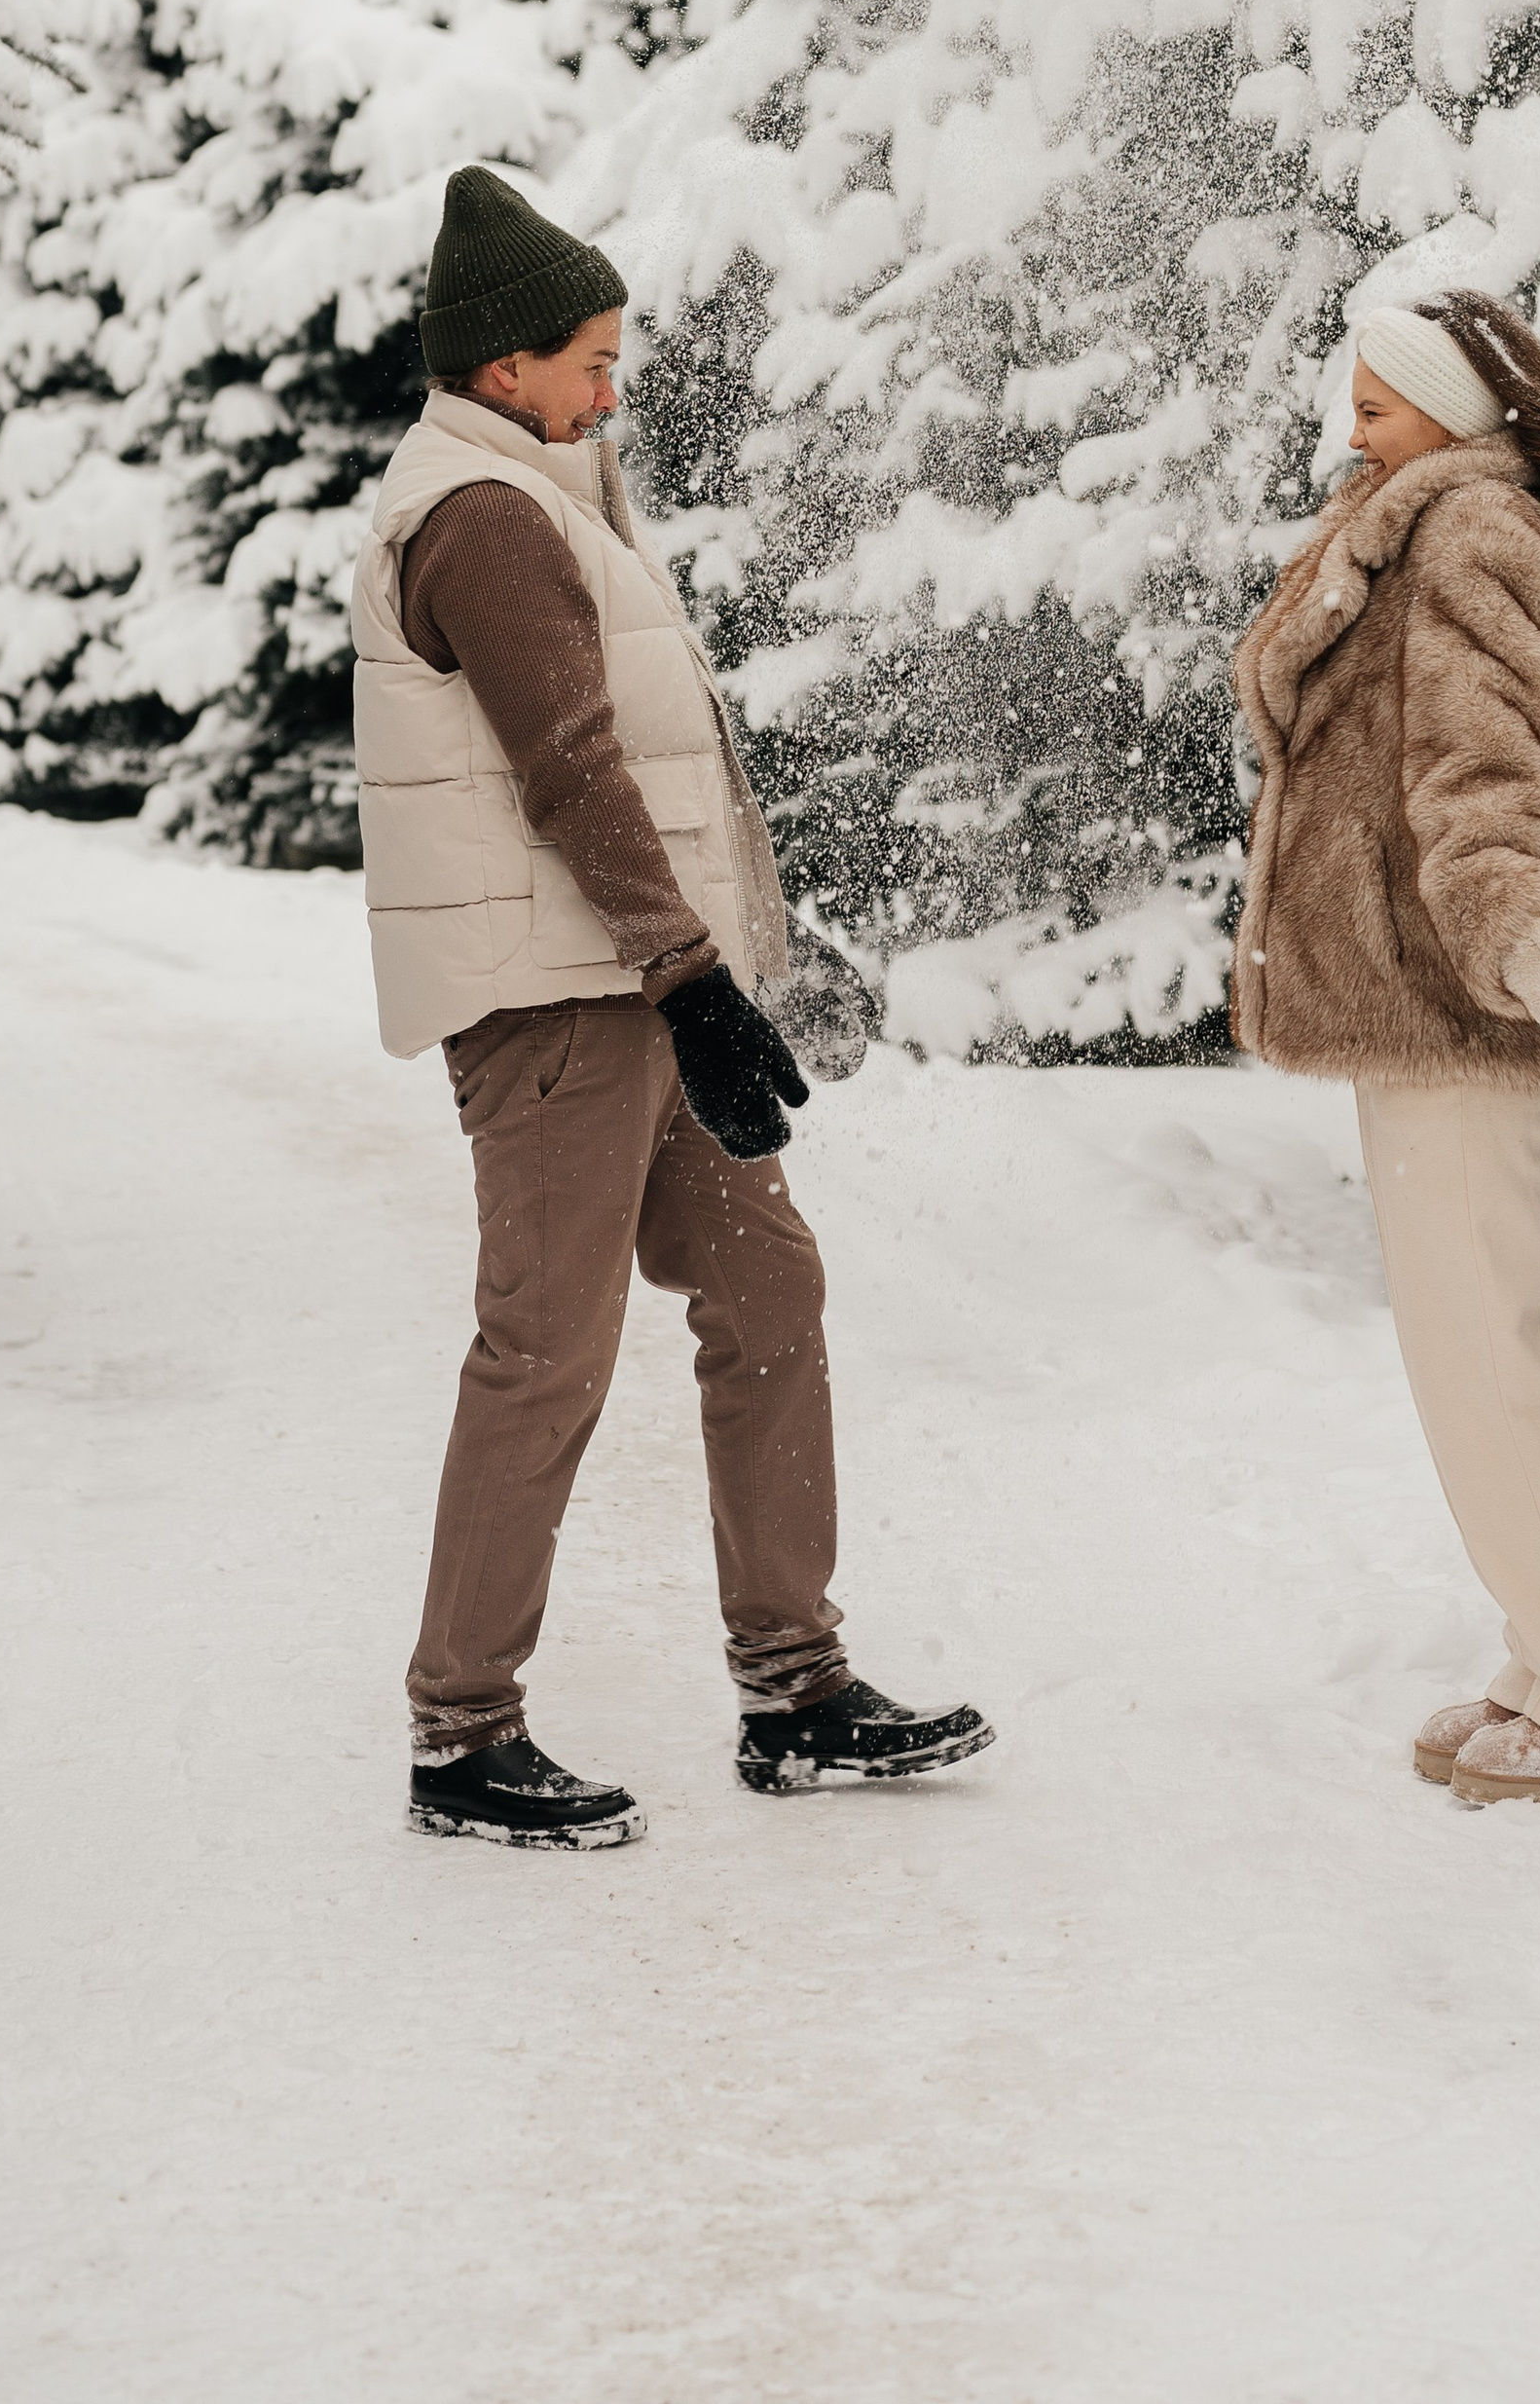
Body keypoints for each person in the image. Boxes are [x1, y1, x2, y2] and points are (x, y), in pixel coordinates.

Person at [351, 165, 994, 1847]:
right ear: (506, 370)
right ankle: (461, 1730)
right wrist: (692, 976)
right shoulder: (483, 520)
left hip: (645, 982)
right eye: (590, 360)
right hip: (565, 1003)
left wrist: (721, 962)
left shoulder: (551, 487)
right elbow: (570, 770)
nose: (610, 386)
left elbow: (658, 752)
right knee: (546, 1354)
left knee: (769, 1290)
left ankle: (798, 1687)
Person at [1230, 293, 1540, 1808]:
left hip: (1460, 1004)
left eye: (1375, 404)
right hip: (1421, 1002)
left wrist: (1513, 930)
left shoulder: (1469, 533)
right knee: (1469, 1351)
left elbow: (1490, 764)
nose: (1348, 428)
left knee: (1488, 1356)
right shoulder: (1424, 523)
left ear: (1451, 411)